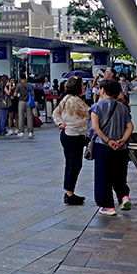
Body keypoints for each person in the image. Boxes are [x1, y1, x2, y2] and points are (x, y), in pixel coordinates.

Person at [90, 79, 133, 216]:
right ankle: (124, 197)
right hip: (121, 148)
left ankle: (107, 205)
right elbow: (130, 126)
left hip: (103, 146)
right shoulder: (122, 107)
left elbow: (95, 128)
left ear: (102, 90)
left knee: (104, 175)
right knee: (119, 174)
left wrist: (108, 141)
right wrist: (122, 140)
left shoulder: (97, 107)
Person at [53, 77, 89, 205]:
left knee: (69, 164)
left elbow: (55, 113)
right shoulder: (76, 101)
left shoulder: (65, 98)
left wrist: (60, 123)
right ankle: (69, 193)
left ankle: (69, 192)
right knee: (75, 165)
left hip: (66, 134)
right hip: (75, 135)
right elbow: (90, 113)